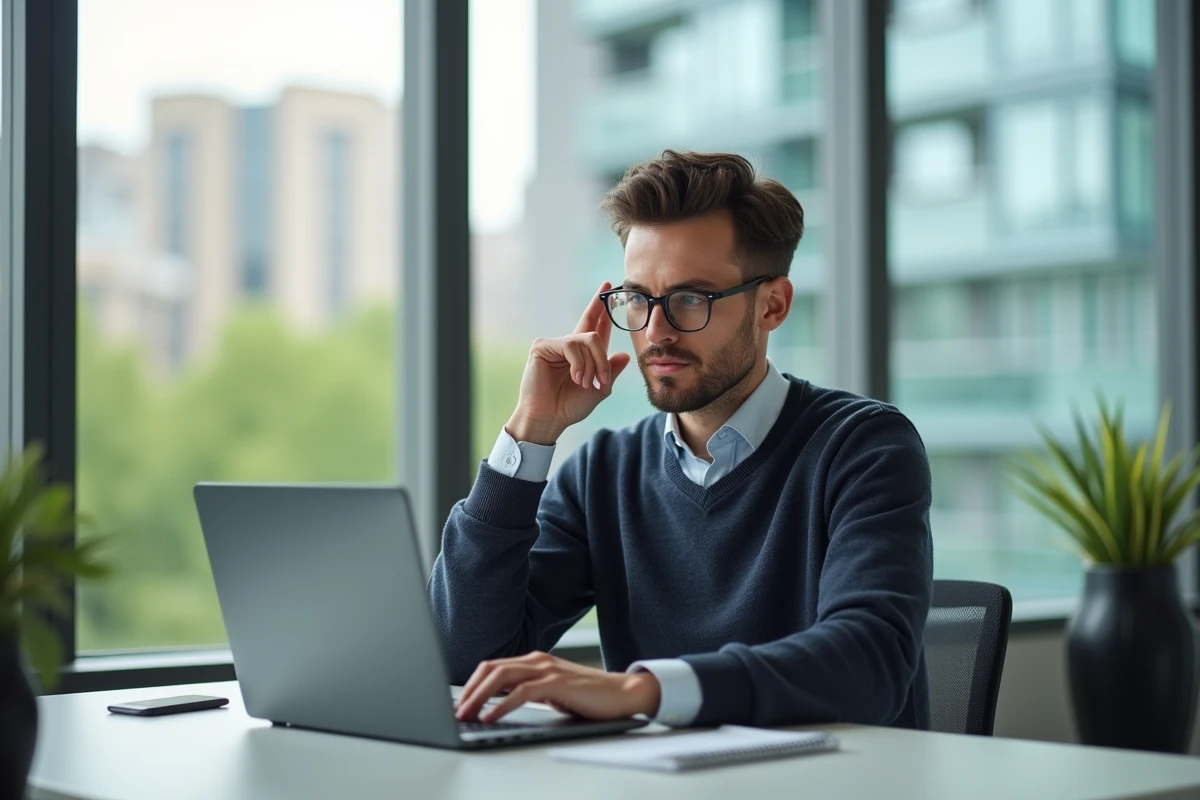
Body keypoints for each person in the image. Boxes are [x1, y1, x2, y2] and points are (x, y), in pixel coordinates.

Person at [432, 150, 933, 730]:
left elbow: (868, 663)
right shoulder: (604, 471)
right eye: (638, 299)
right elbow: (463, 661)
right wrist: (528, 434)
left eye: (691, 298)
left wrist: (644, 691)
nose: (655, 331)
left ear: (772, 305)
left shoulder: (865, 448)